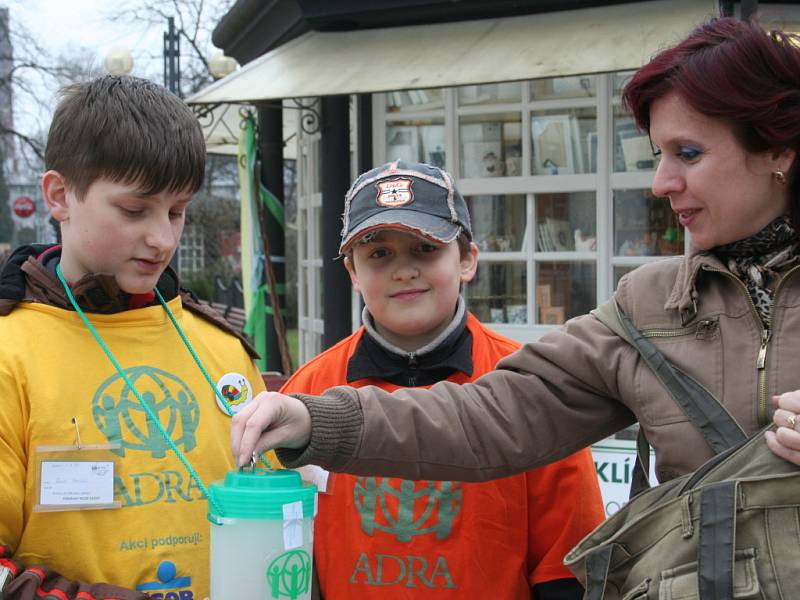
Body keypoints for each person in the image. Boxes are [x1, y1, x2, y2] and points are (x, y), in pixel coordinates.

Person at [232, 17, 800, 496]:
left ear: (778, 145)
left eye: (689, 153)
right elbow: (489, 418)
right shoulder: (651, 306)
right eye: (659, 154)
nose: (660, 182)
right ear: (349, 270)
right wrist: (315, 419)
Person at [279, 160, 605, 599]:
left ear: (467, 259)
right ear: (353, 273)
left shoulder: (530, 385)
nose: (404, 270)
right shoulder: (307, 393)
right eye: (379, 253)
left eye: (425, 248)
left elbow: (569, 568)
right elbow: (283, 554)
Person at [0, 76, 265, 600]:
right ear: (60, 196)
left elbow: (275, 510)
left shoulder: (222, 347)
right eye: (134, 210)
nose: (162, 239)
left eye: (177, 211)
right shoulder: (10, 353)